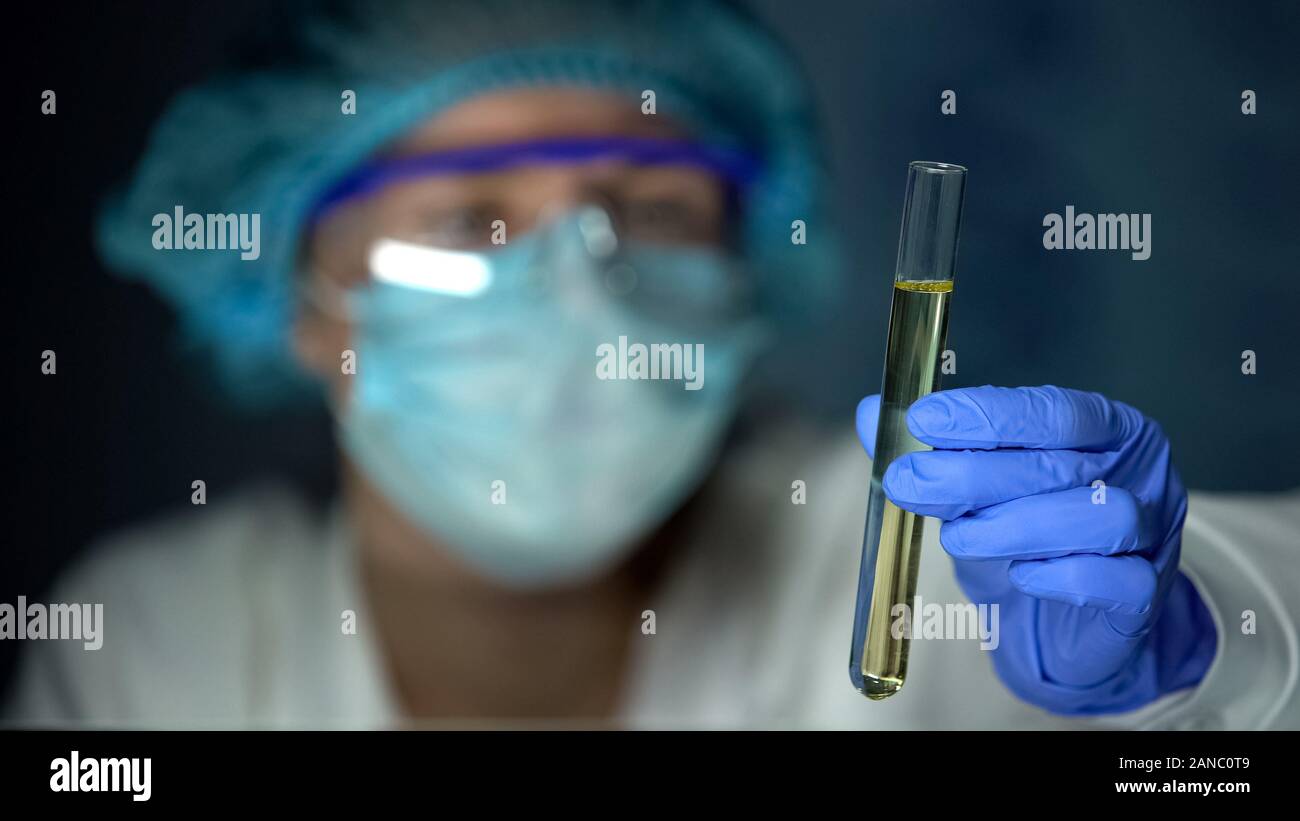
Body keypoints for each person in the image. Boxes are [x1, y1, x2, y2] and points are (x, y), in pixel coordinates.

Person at [6, 0, 1298, 729]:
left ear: (751, 272)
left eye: (656, 209)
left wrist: (1204, 639)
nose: (583, 277)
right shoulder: (154, 654)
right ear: (303, 298)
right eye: (473, 217)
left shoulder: (900, 566)